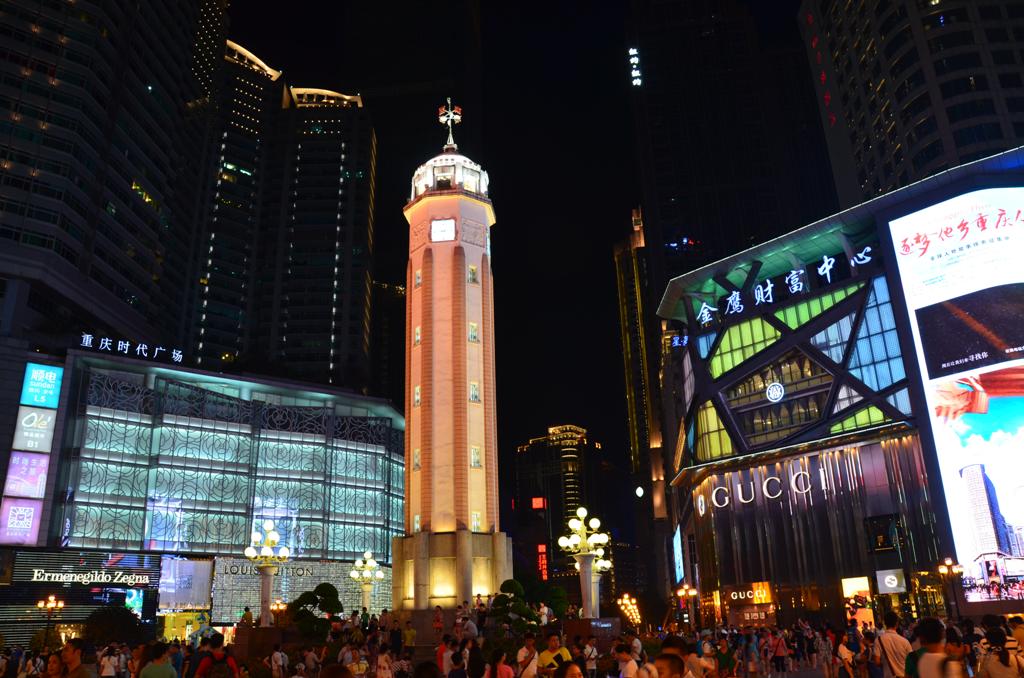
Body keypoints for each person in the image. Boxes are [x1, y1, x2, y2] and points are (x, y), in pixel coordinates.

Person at [878, 613, 913, 678]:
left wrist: (886, 664)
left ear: (885, 623)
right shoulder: (905, 641)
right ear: (897, 624)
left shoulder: (878, 640)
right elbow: (911, 660)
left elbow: (876, 661)